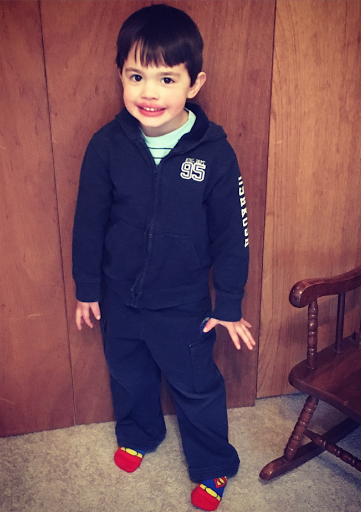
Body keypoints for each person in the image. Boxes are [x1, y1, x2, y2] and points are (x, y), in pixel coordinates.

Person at [72, 4, 255, 510]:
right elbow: (88, 223)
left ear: (194, 84)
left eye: (166, 79)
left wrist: (229, 302)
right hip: (120, 298)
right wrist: (88, 288)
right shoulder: (106, 146)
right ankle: (139, 432)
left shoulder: (214, 154)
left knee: (196, 387)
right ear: (120, 76)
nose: (149, 92)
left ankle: (213, 465)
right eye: (137, 76)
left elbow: (233, 232)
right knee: (128, 373)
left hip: (183, 304)